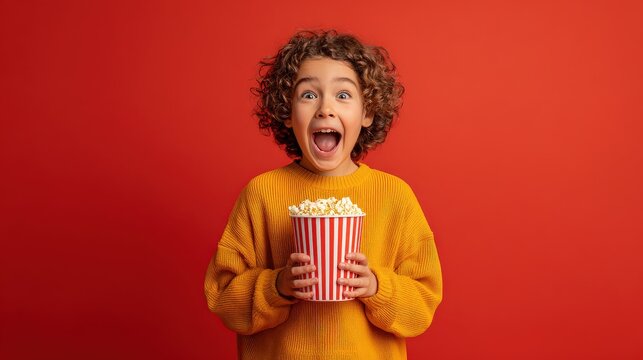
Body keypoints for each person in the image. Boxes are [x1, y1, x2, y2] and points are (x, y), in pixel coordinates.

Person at [204, 29, 442, 360]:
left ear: (367, 113)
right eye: (308, 95)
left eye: (343, 95)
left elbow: (422, 306)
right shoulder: (261, 194)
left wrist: (377, 287)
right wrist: (277, 286)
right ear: (286, 113)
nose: (325, 109)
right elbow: (222, 296)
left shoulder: (395, 196)